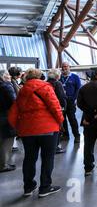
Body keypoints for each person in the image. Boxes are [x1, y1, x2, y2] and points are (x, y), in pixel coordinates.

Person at [8, 68, 64, 198]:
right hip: (48, 129)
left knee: (29, 158)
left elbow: (13, 114)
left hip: (27, 131)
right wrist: (60, 122)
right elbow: (55, 106)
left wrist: (20, 127)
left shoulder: (22, 91)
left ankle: (28, 187)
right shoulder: (46, 87)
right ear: (41, 77)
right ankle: (45, 187)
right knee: (47, 158)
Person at [59, 62, 81, 143]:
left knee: (72, 119)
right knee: (63, 119)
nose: (64, 68)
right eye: (63, 67)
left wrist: (74, 99)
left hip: (70, 101)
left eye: (66, 66)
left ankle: (77, 135)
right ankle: (65, 135)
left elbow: (78, 89)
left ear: (69, 67)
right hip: (61, 102)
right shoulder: (59, 77)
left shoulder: (75, 77)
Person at [47, 69, 67, 154]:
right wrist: (64, 107)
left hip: (48, 109)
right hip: (57, 108)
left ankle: (51, 146)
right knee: (58, 128)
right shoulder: (58, 84)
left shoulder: (46, 83)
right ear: (57, 76)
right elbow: (61, 97)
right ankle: (56, 147)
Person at [0, 70, 16, 173]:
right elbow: (14, 101)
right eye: (8, 75)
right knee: (7, 142)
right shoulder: (6, 86)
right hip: (5, 116)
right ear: (3, 76)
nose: (9, 76)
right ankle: (3, 165)